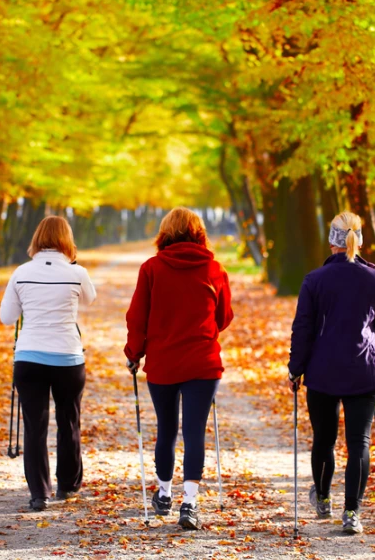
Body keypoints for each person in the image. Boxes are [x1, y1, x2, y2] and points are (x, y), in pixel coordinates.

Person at [124, 207, 234, 530]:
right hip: (203, 363)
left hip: (163, 363)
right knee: (195, 430)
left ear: (165, 233)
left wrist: (134, 353)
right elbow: (224, 316)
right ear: (199, 234)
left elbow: (136, 318)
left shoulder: (152, 269)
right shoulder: (214, 269)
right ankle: (190, 503)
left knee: (167, 429)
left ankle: (164, 493)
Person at [286, 211, 375, 535]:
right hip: (364, 368)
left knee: (324, 438)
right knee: (359, 440)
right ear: (359, 239)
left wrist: (296, 369)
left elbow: (303, 328)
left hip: (322, 371)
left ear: (331, 240)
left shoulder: (315, 280)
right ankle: (352, 512)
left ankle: (322, 497)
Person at [0, 215, 96, 512]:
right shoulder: (77, 273)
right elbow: (89, 301)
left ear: (37, 238)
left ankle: (39, 494)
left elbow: (6, 318)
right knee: (69, 421)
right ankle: (67, 485)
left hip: (29, 357)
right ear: (67, 240)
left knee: (35, 426)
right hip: (68, 356)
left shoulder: (21, 273)